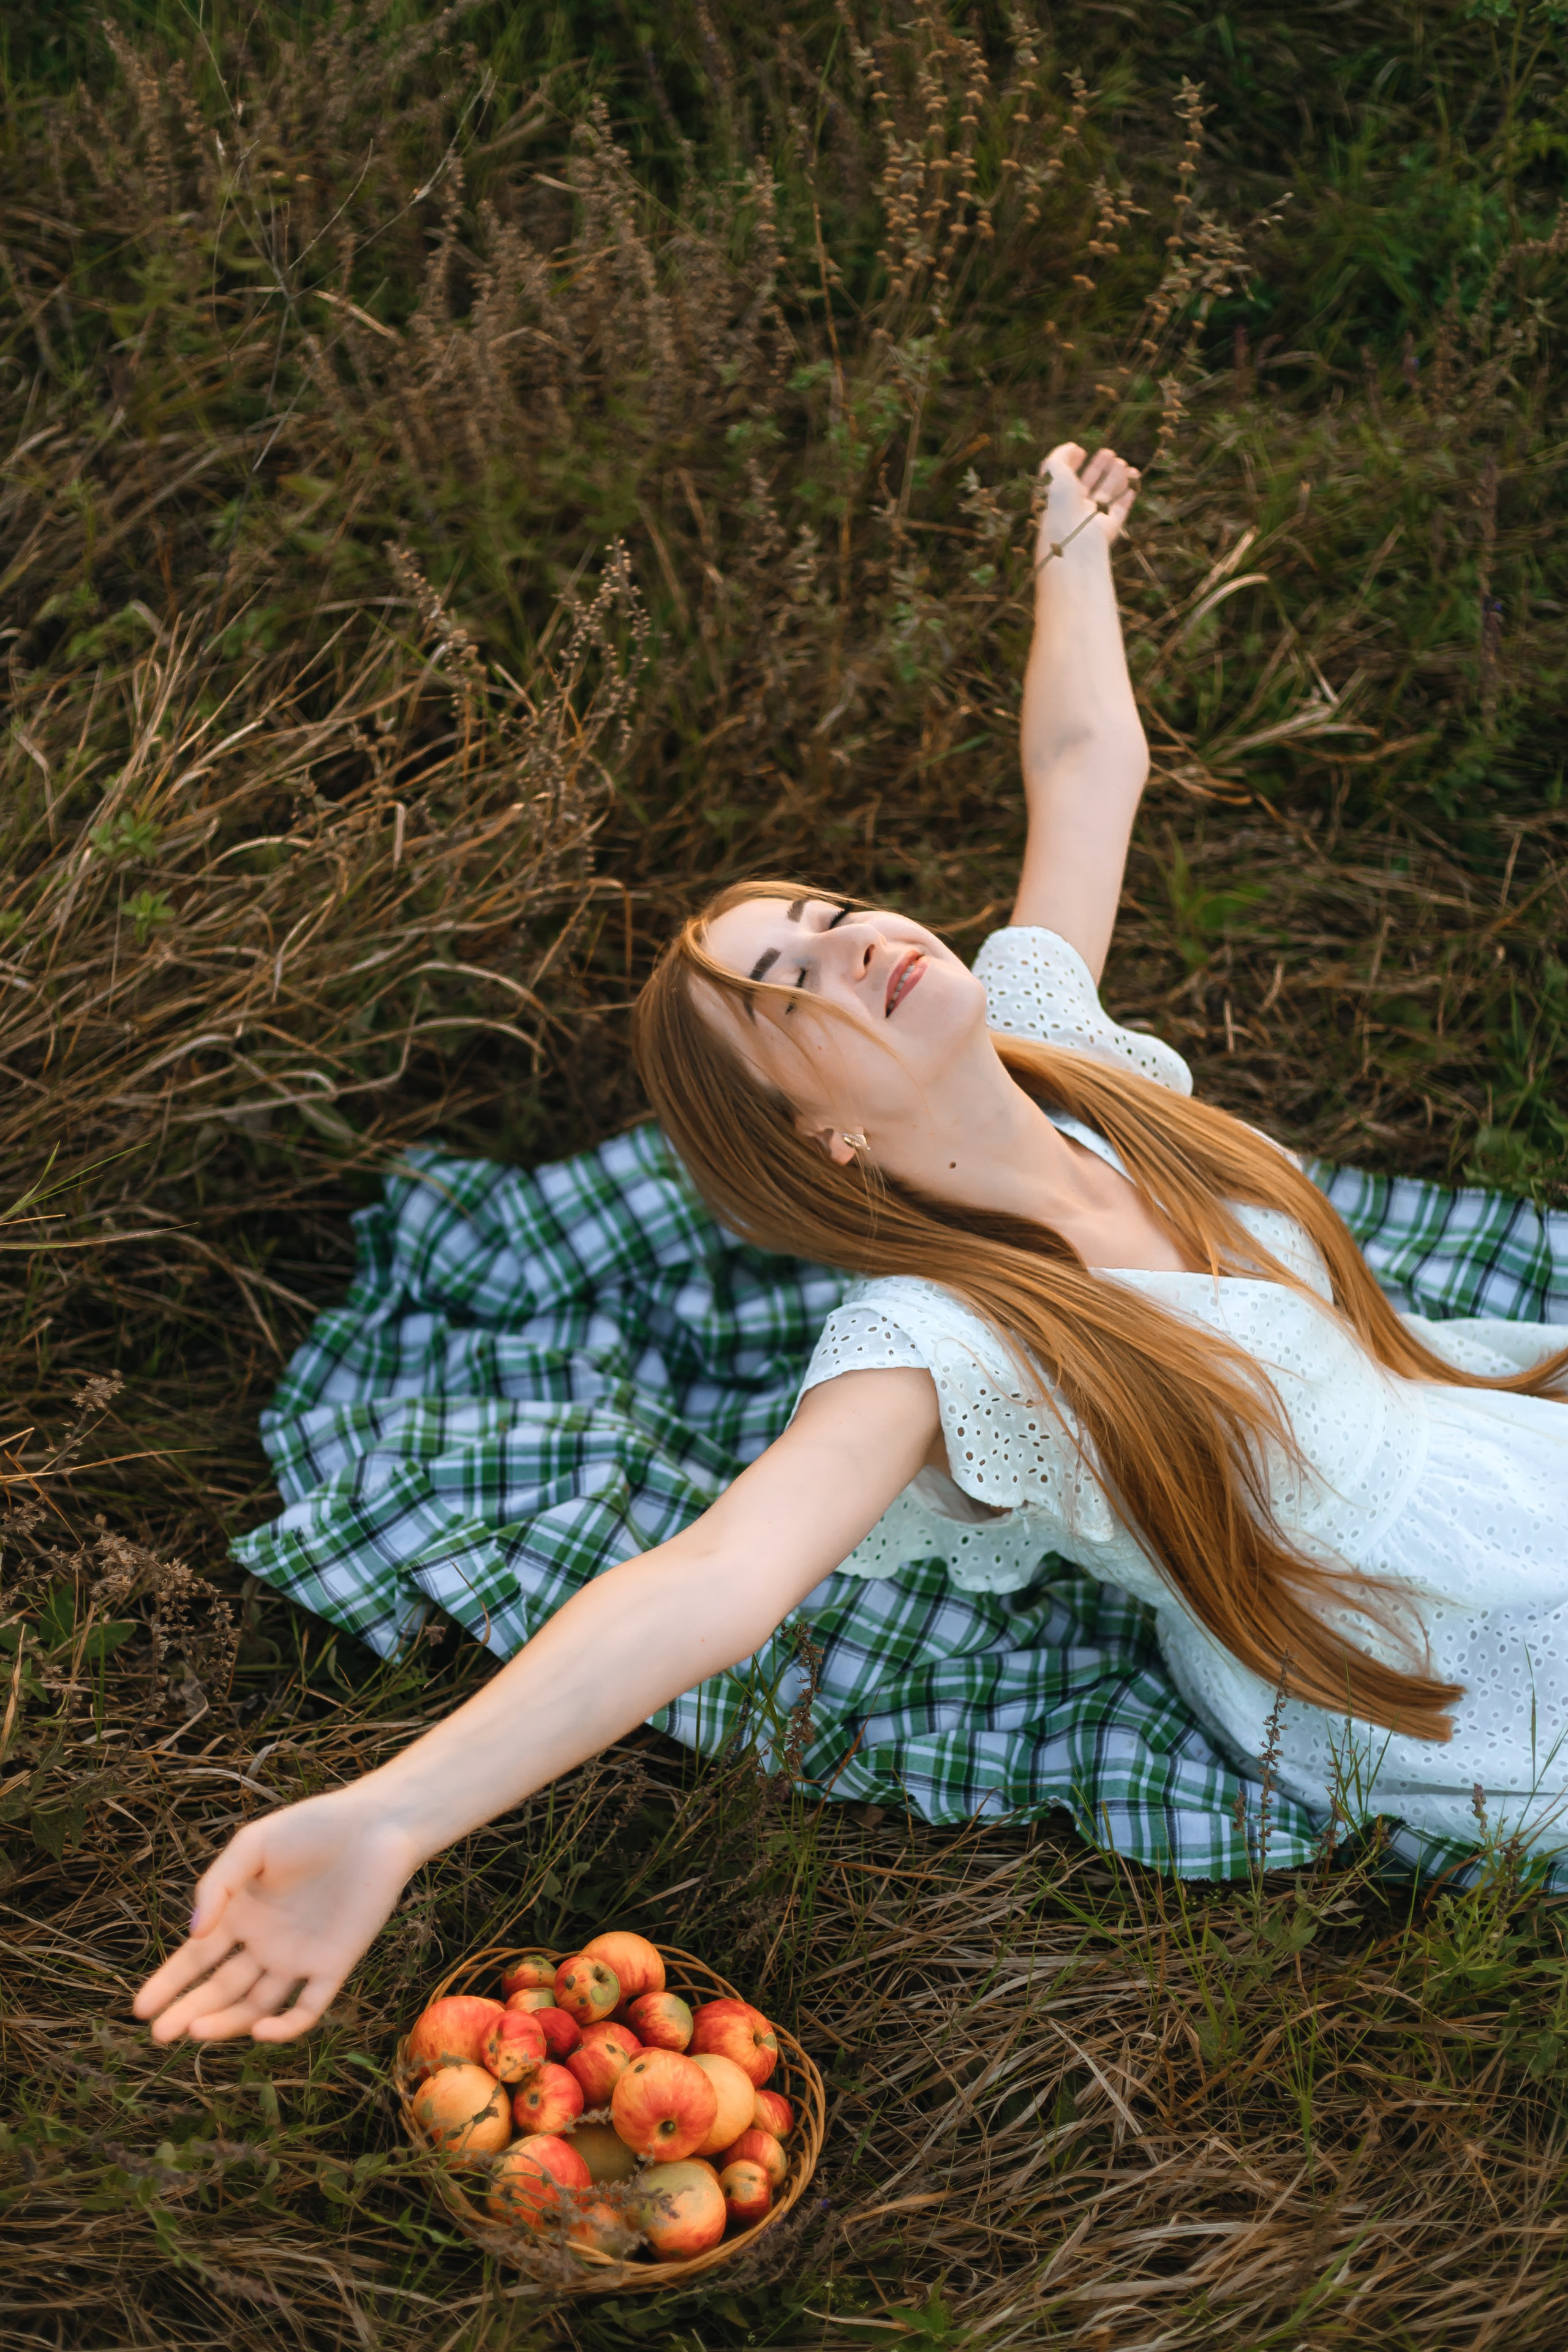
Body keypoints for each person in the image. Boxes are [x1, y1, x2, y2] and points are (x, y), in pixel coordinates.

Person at [134, 442, 1568, 2048]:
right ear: (816, 1135)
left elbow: (1089, 765)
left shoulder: (1056, 1045)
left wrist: (1070, 553)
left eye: (822, 919)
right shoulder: (948, 1341)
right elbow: (719, 1583)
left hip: (1474, 1437)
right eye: (785, 995)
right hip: (1420, 1642)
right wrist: (393, 1816)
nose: (845, 950)